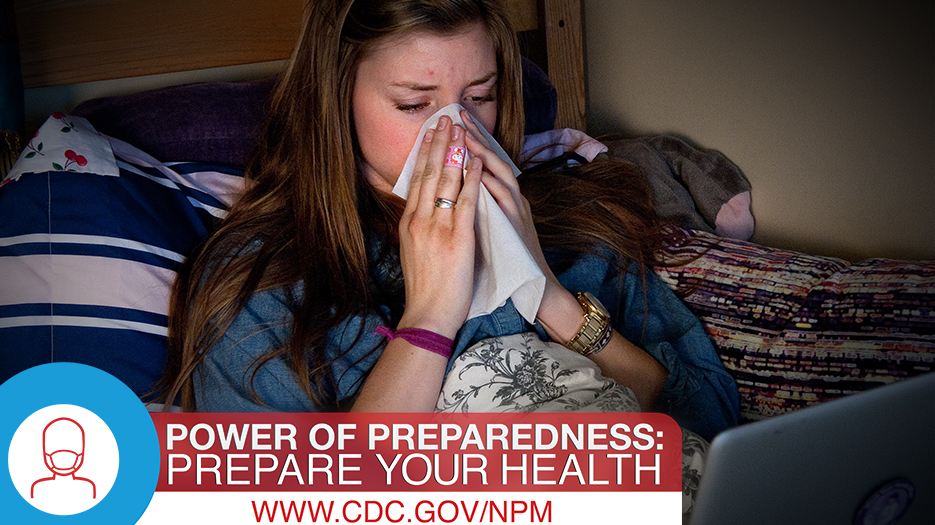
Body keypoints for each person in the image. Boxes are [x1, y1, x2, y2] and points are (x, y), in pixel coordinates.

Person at [159, 0, 739, 442]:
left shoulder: (567, 217)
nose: (455, 132)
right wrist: (431, 315)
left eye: (479, 96)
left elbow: (701, 416)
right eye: (414, 104)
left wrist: (545, 291)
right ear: (337, 102)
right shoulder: (261, 285)